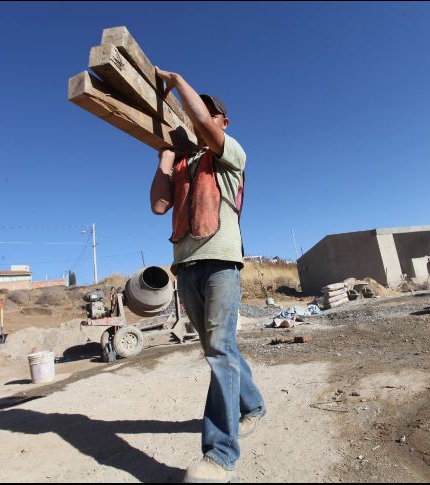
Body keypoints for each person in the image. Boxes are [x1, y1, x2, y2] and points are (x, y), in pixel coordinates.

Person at [150, 67, 266, 483]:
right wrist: (165, 159)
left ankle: (219, 455)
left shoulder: (231, 154)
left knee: (218, 349)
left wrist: (177, 80)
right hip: (185, 266)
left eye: (209, 113)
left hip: (220, 263)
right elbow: (159, 206)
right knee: (219, 348)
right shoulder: (184, 164)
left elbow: (199, 120)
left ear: (224, 122)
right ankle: (254, 406)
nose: (199, 118)